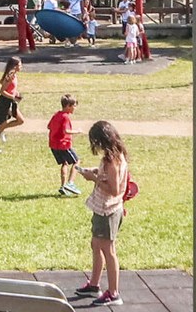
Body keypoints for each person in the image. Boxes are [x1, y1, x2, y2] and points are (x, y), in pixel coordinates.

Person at [72, 121, 129, 307]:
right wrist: (96, 172)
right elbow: (111, 177)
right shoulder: (115, 156)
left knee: (108, 250)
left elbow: (114, 189)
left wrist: (94, 178)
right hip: (103, 209)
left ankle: (113, 293)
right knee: (96, 245)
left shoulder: (112, 160)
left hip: (108, 211)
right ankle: (94, 285)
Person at [49, 94, 80, 196]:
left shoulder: (56, 115)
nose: (75, 108)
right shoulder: (65, 117)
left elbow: (49, 126)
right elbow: (66, 130)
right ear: (67, 106)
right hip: (63, 145)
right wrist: (77, 131)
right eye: (74, 106)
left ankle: (63, 187)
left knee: (65, 163)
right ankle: (70, 183)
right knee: (77, 161)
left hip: (53, 145)